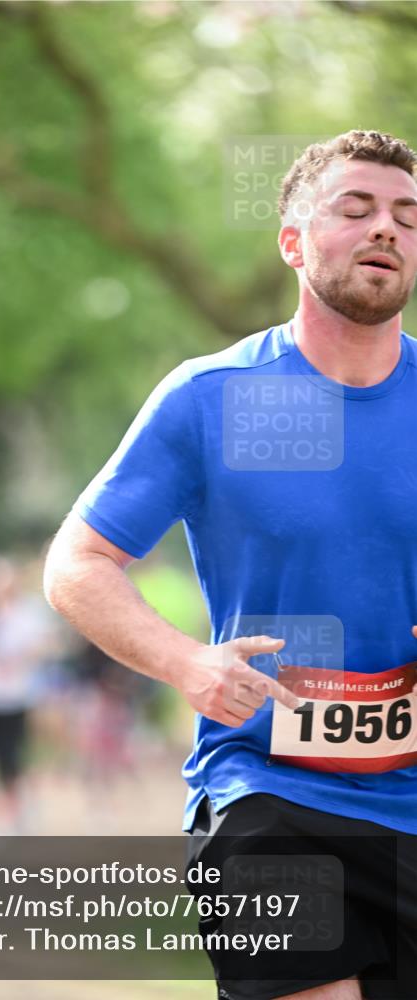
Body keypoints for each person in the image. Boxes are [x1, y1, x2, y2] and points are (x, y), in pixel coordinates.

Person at [44, 130, 417, 1000]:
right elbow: (77, 561)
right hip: (267, 791)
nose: (385, 229)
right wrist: (186, 663)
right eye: (355, 209)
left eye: (407, 216)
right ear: (292, 241)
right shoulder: (210, 397)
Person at [0, 555, 55, 833]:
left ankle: (18, 805)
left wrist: (22, 658)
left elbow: (46, 644)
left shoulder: (28, 611)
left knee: (17, 752)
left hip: (21, 694)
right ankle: (4, 809)